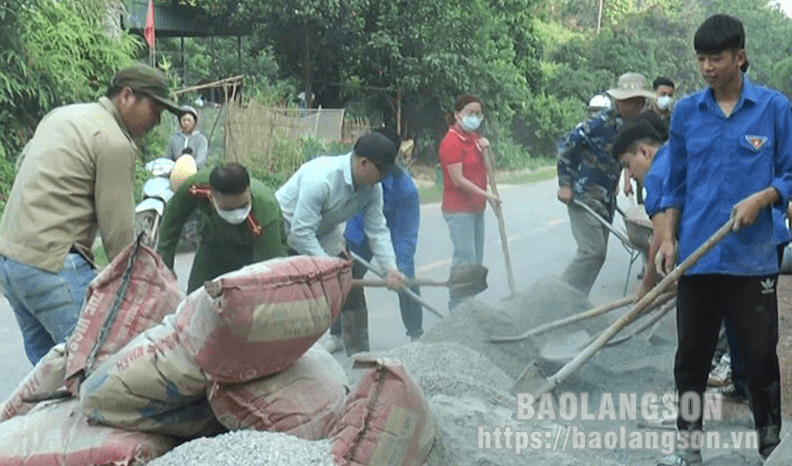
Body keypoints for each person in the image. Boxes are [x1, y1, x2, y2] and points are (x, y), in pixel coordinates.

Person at [654, 14, 792, 464]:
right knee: (691, 360)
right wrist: (670, 240)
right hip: (699, 257)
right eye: (701, 58)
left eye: (716, 57)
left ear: (740, 56)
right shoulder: (687, 113)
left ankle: (769, 445)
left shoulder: (774, 109)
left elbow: (790, 173)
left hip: (752, 261)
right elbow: (675, 184)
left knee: (759, 359)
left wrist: (766, 197)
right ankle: (689, 446)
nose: (707, 67)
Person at [0, 63, 181, 365]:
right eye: (155, 109)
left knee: (48, 375)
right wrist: (147, 285)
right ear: (127, 96)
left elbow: (23, 169)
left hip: (11, 261)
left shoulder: (62, 115)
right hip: (52, 264)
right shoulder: (113, 141)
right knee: (96, 368)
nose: (157, 121)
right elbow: (119, 236)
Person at [275, 132, 407, 352]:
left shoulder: (373, 189)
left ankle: (358, 350)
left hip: (323, 230)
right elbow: (301, 232)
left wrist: (390, 270)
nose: (385, 177)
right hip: (285, 231)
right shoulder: (321, 178)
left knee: (348, 276)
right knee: (292, 293)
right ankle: (286, 352)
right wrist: (328, 268)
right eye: (382, 171)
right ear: (364, 163)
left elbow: (377, 231)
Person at [556, 72, 654, 296]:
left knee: (598, 256)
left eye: (641, 101)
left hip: (606, 199)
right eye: (634, 101)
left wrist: (623, 178)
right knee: (592, 252)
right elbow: (565, 146)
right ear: (620, 101)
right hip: (583, 196)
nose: (640, 105)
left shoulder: (632, 126)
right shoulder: (599, 124)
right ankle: (559, 296)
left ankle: (576, 301)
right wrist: (565, 184)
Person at [335, 129, 423, 355]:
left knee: (406, 279)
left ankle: (416, 335)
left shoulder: (406, 189)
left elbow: (405, 234)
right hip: (360, 232)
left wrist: (396, 269)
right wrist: (345, 244)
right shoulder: (361, 174)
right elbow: (349, 212)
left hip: (393, 233)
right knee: (345, 277)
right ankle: (339, 335)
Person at [157, 163, 290, 293]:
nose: (237, 213)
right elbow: (171, 222)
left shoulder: (265, 209)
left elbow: (272, 267)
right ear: (211, 198)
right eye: (228, 209)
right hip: (212, 244)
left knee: (245, 300)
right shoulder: (195, 188)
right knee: (198, 298)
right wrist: (164, 268)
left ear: (248, 191)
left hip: (250, 253)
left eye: (244, 205)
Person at [438, 94, 501, 311]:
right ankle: (457, 307)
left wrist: (487, 148)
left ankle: (470, 305)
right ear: (457, 114)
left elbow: (489, 168)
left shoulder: (474, 138)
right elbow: (458, 180)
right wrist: (487, 196)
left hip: (477, 209)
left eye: (478, 113)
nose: (474, 117)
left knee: (475, 262)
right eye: (470, 113)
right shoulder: (451, 141)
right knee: (465, 260)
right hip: (459, 211)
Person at [611, 119, 669, 300]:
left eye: (627, 165)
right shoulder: (677, 152)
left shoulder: (654, 177)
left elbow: (660, 236)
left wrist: (646, 283)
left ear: (644, 152)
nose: (631, 174)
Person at [167, 105, 209, 169]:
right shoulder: (174, 139)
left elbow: (200, 161)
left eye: (189, 120)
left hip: (195, 174)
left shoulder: (201, 139)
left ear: (194, 121)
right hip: (176, 174)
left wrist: (188, 168)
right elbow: (169, 159)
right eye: (184, 120)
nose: (186, 122)